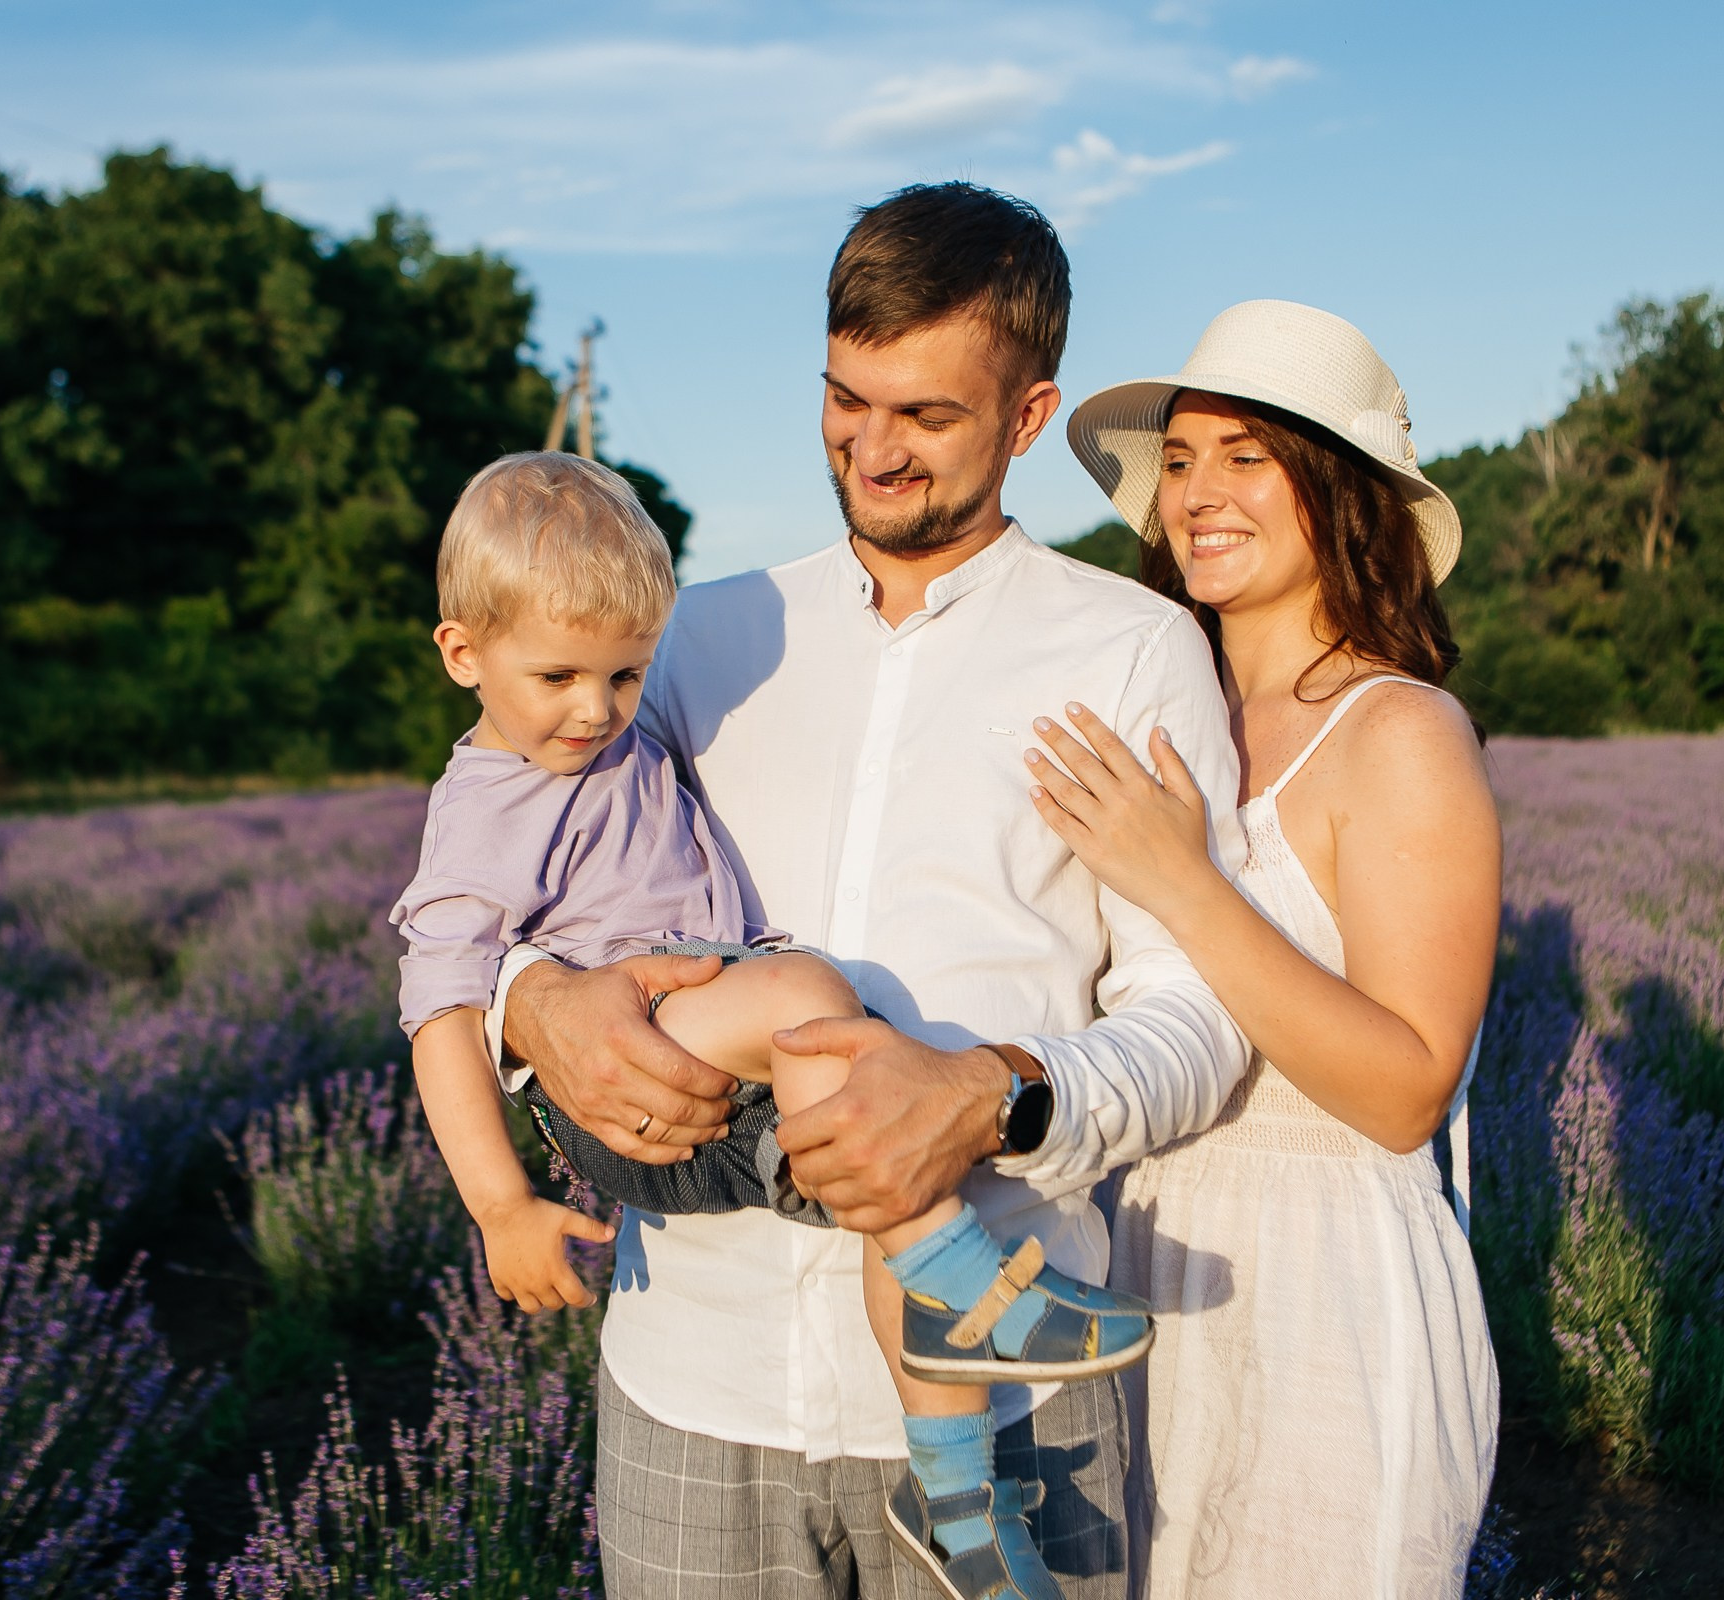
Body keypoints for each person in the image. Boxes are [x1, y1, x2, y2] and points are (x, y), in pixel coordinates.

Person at [480, 186, 1253, 1599]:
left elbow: (1200, 1011)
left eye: (928, 416)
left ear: (1029, 418)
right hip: (691, 1381)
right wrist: (532, 1010)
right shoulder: (691, 636)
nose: (874, 448)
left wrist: (1000, 1096)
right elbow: (496, 883)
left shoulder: (1137, 652)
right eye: (848, 400)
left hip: (1018, 1407)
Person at [388, 450, 1160, 1600]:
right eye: (557, 676)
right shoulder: (485, 805)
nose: (596, 708)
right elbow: (442, 1007)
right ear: (461, 653)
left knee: (894, 1169)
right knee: (808, 995)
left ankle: (956, 1495)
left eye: (626, 672)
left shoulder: (616, 738)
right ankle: (972, 1289)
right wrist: (500, 1203)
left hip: (716, 1049)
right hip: (641, 1072)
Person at [1033, 300, 1501, 1597]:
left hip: (1323, 1289)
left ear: (1339, 491)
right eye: (1181, 460)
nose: (1197, 493)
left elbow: (1407, 1091)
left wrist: (1189, 885)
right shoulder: (1151, 709)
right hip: (1134, 1247)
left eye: (1248, 457)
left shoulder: (1399, 734)